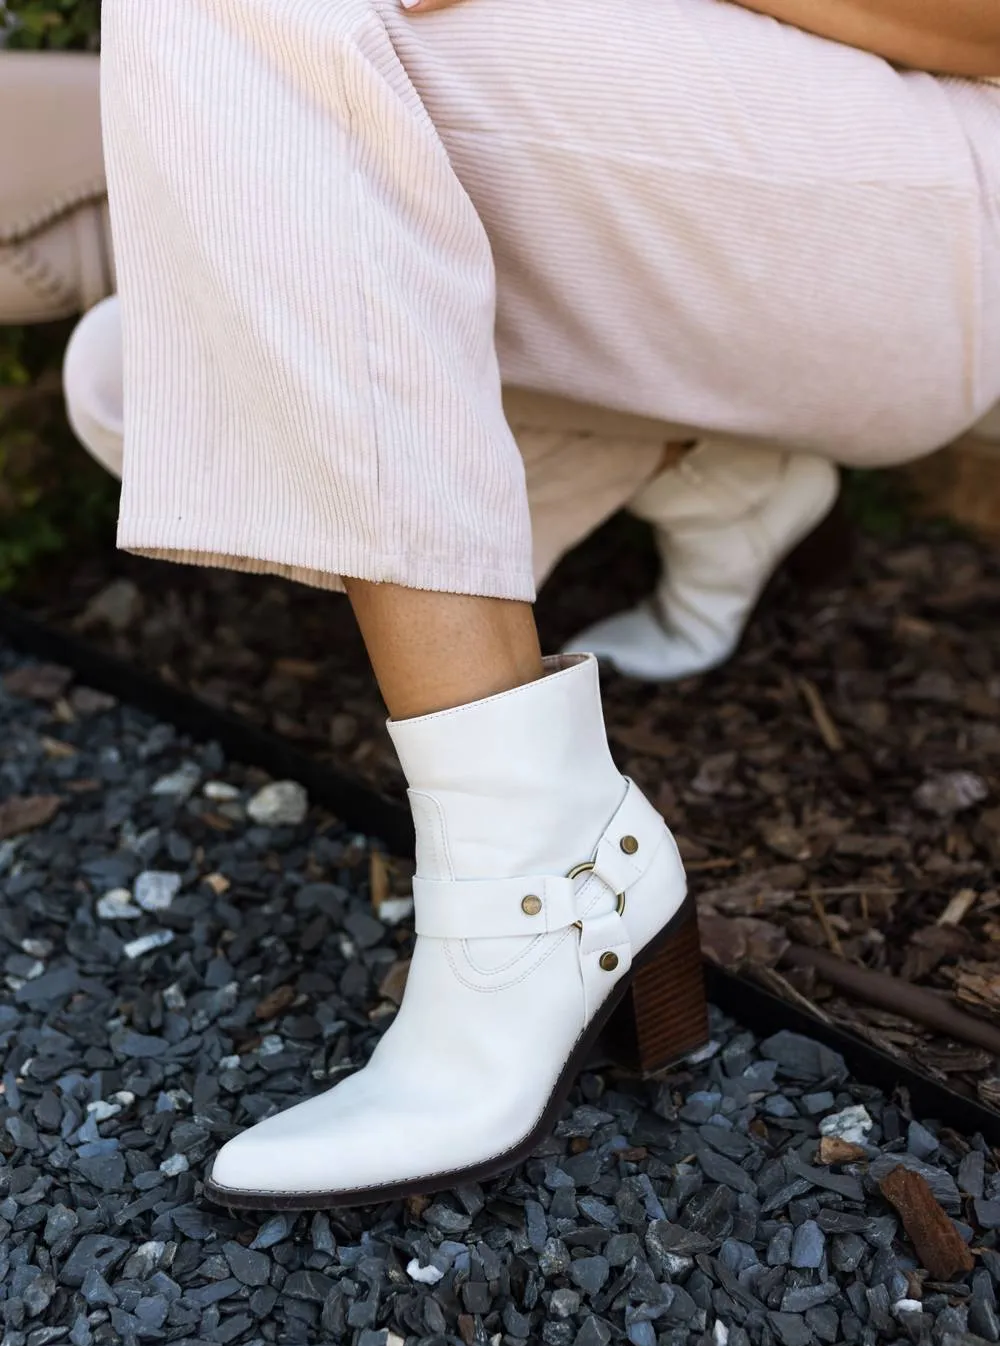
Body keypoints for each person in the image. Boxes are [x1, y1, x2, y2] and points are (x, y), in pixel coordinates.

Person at [97, 0, 1000, 1209]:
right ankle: (717, 475)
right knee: (140, 382)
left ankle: (536, 876)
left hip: (949, 178)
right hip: (758, 119)